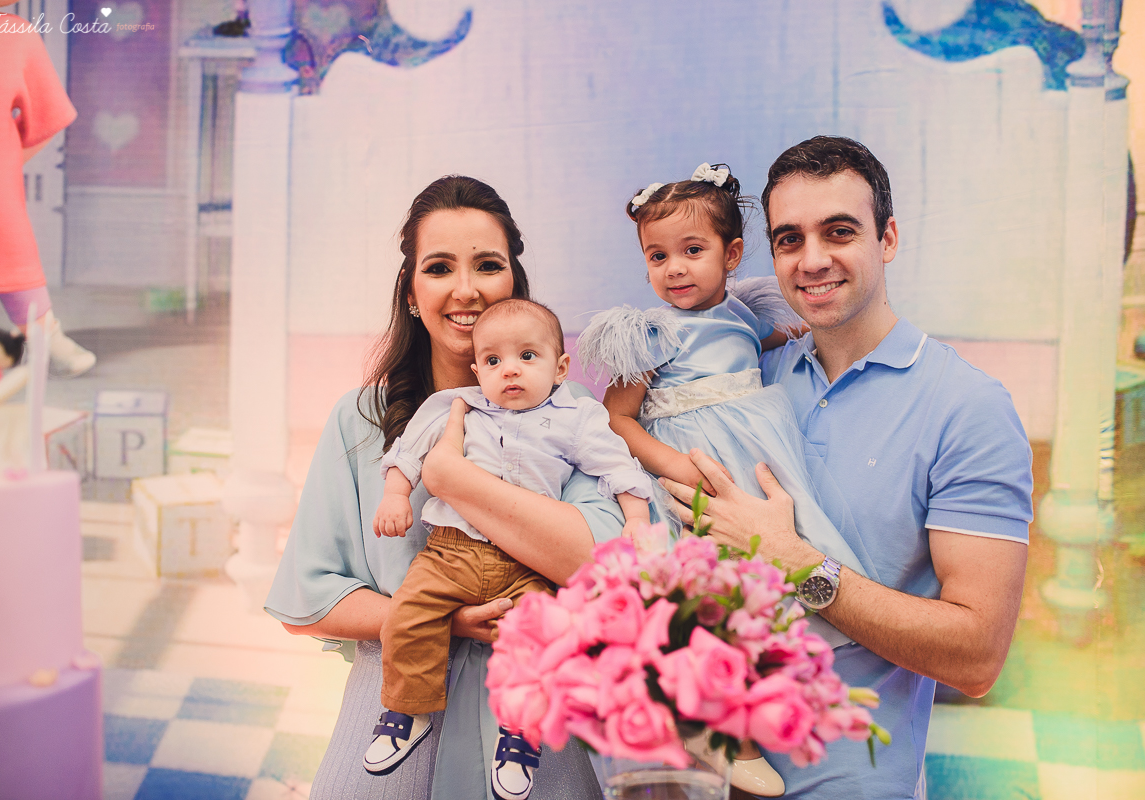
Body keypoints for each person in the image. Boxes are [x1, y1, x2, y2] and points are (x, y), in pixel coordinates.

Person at [658, 136, 1033, 799]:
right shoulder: (747, 382)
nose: (812, 259)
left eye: (839, 232)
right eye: (789, 239)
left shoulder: (966, 407)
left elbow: (976, 657)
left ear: (887, 238)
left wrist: (797, 562)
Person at [265, 176, 622, 800]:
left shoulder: (575, 416)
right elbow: (310, 597)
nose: (466, 290)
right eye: (438, 268)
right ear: (411, 292)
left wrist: (453, 480)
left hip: (534, 734)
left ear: (515, 283)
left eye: (488, 265)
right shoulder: (362, 419)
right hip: (393, 721)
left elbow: (606, 562)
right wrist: (444, 620)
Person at [577, 162, 870, 797]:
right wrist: (674, 464)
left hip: (756, 460)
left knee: (768, 586)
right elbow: (616, 419)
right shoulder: (651, 332)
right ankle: (710, 726)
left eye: (692, 251)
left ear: (732, 253)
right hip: (694, 471)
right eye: (658, 256)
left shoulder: (744, 315)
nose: (674, 269)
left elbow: (769, 345)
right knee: (702, 599)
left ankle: (775, 700)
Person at [366, 298, 652, 800]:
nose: (510, 370)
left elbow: (617, 465)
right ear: (477, 369)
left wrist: (637, 518)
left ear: (560, 366)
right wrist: (395, 494)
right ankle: (407, 713)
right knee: (407, 615)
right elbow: (408, 451)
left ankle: (519, 733)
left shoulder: (576, 416)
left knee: (540, 638)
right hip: (449, 553)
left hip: (525, 560)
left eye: (527, 356)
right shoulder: (461, 406)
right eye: (493, 361)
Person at [0, 3, 97, 376]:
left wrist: (3, 165)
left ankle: (44, 333)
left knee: (15, 256)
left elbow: (49, 116)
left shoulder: (15, 35)